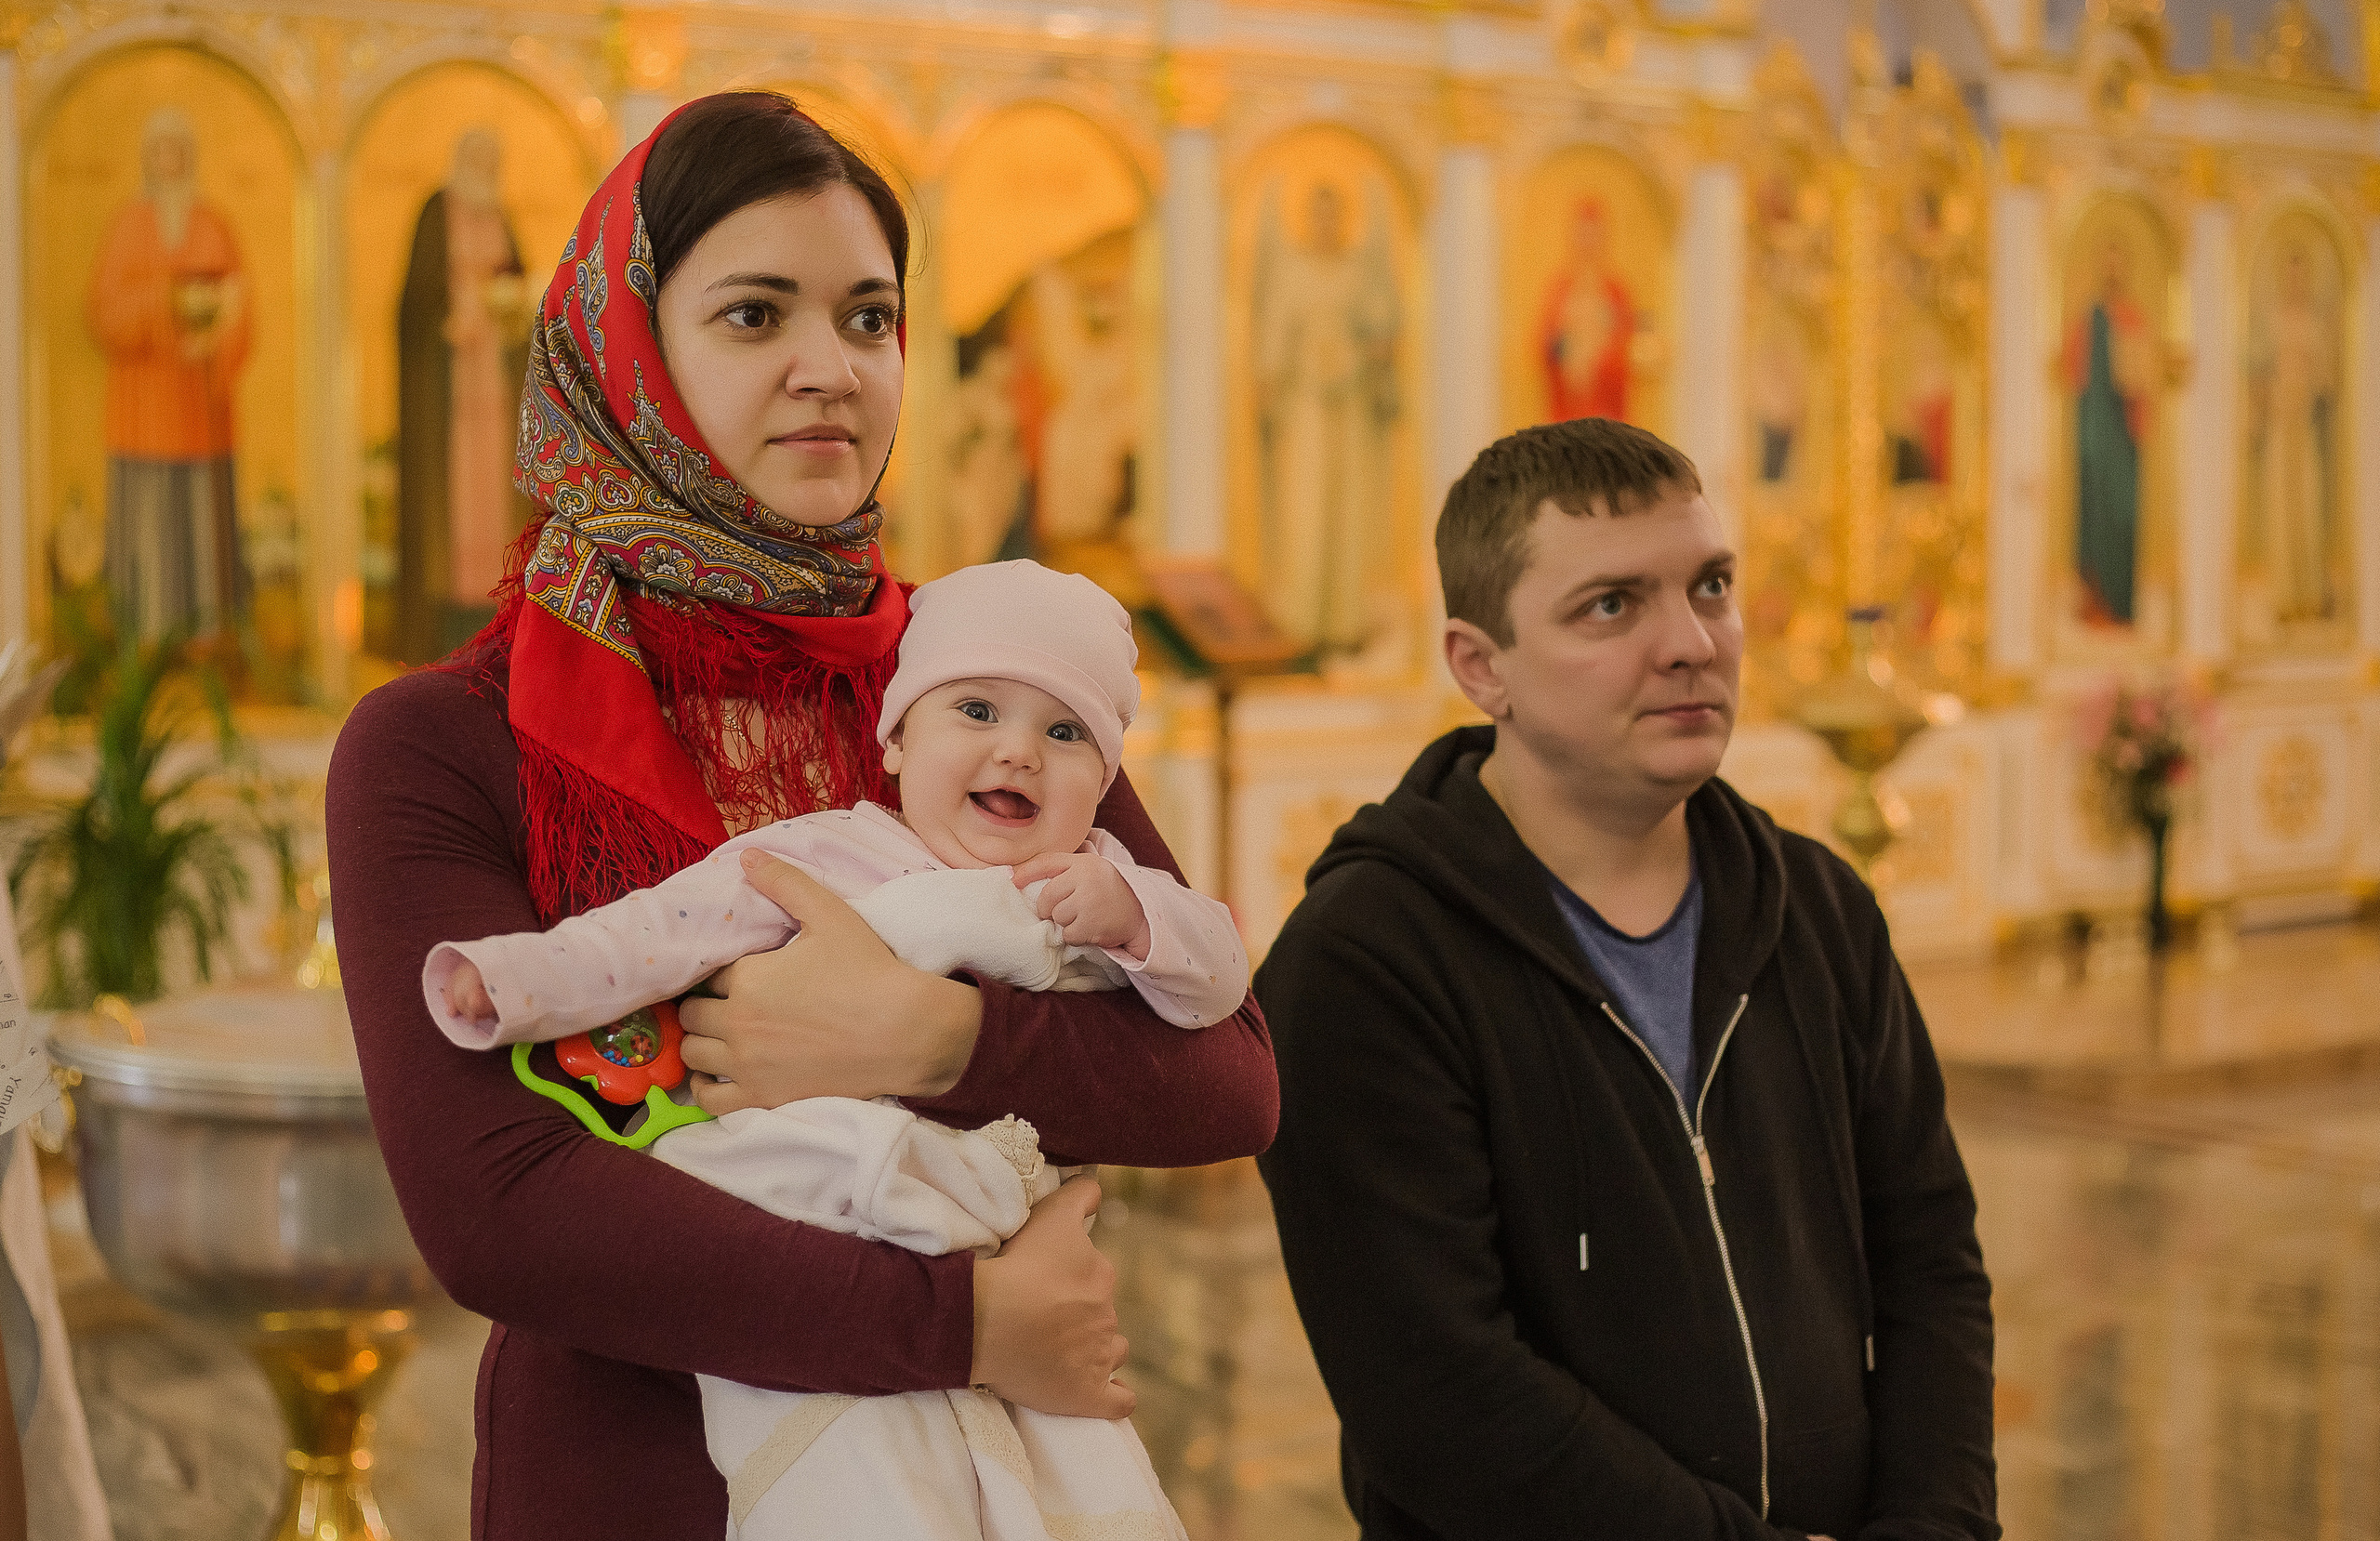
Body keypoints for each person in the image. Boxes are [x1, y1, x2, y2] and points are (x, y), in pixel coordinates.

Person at [325, 93, 1276, 1538]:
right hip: (639, 1486)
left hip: (993, 1479)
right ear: (626, 347)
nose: (832, 369)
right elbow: (499, 1202)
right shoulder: (445, 743)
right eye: (756, 314)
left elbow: (1229, 1078)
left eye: (871, 318)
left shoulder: (973, 688)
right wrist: (956, 1322)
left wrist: (939, 1038)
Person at [1254, 418, 1995, 1540]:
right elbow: (1440, 1393)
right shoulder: (1363, 960)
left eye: (1711, 586)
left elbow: (1931, 1260)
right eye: (1612, 605)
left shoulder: (1817, 907)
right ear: (1479, 664)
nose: (1691, 640)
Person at [418, 560, 1244, 1537]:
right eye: (976, 710)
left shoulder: (1094, 876)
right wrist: (515, 981)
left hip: (986, 1213)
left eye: (1064, 733)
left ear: (1102, 783)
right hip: (811, 1206)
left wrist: (1138, 918)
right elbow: (664, 930)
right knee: (870, 1481)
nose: (1019, 751)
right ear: (895, 741)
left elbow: (1220, 991)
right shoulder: (829, 851)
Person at [88, 106, 251, 642]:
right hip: (147, 408)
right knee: (152, 524)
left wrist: (213, 335)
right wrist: (166, 306)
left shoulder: (211, 223)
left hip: (201, 405)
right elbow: (107, 313)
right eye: (162, 150)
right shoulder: (129, 226)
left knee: (203, 525)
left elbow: (239, 304)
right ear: (148, 159)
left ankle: (208, 641)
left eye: (180, 150)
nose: (171, 161)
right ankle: (148, 642)